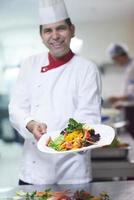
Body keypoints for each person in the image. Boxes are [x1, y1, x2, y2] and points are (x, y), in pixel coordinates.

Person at [9, 0, 101, 185]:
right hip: (34, 171)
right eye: (48, 31)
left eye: (61, 28)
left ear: (72, 30)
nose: (55, 36)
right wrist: (31, 123)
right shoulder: (29, 65)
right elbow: (16, 107)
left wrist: (63, 142)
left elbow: (88, 115)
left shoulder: (87, 69)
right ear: (41, 36)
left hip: (73, 170)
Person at [107, 43, 134, 108]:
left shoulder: (132, 68)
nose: (115, 62)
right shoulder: (128, 68)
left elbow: (132, 95)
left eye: (115, 59)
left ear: (121, 56)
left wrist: (117, 99)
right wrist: (121, 102)